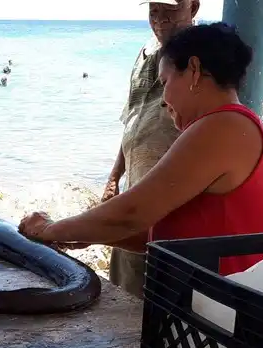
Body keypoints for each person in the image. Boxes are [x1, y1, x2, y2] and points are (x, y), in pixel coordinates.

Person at [19, 23, 263, 285]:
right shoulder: (232, 125)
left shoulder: (223, 127)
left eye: (165, 82)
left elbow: (132, 213)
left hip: (227, 304)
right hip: (224, 296)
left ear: (194, 71)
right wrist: (83, 232)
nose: (163, 101)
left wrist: (49, 229)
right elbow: (157, 236)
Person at [101, 0, 200, 297]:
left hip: (172, 196)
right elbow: (133, 120)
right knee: (127, 286)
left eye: (170, 10)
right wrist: (114, 178)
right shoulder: (146, 53)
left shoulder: (203, 58)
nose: (160, 19)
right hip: (135, 187)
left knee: (165, 290)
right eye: (154, 11)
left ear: (193, 7)